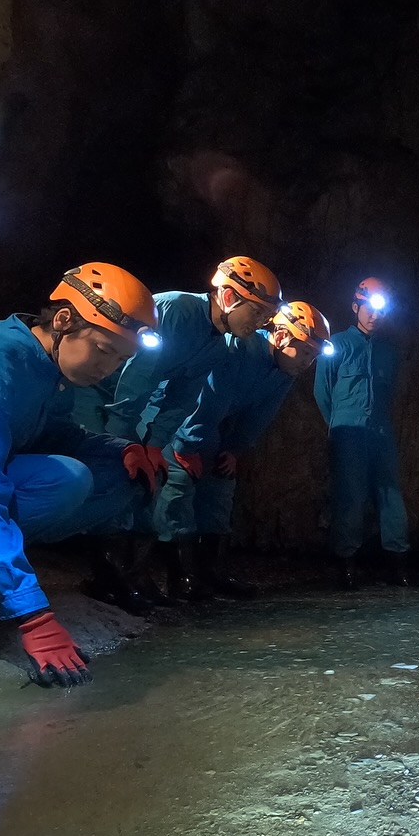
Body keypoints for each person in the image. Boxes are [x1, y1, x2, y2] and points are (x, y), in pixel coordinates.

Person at [0, 263, 162, 687]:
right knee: (65, 479)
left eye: (121, 359)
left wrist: (122, 449)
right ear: (64, 319)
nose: (109, 368)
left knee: (117, 475)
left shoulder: (45, 367)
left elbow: (52, 433)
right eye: (104, 349)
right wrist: (32, 616)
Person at [76, 255, 282, 602]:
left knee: (146, 480)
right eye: (257, 312)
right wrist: (124, 442)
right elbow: (134, 379)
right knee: (111, 473)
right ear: (230, 298)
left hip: (131, 402)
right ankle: (106, 576)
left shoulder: (218, 345)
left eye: (266, 315)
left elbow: (181, 398)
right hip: (97, 389)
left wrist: (156, 445)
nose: (261, 322)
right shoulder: (176, 311)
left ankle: (129, 573)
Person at [157, 300, 331, 599]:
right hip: (179, 421)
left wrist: (235, 450)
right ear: (280, 336)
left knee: (220, 486)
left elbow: (260, 414)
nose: (307, 363)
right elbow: (207, 396)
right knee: (178, 488)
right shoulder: (239, 348)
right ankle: (181, 578)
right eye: (304, 352)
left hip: (213, 428)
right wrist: (186, 446)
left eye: (313, 357)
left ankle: (209, 575)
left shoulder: (283, 372)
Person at [314, 277, 409, 589]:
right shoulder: (337, 344)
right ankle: (346, 565)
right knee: (349, 497)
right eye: (368, 308)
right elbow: (322, 391)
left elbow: (390, 390)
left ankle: (397, 563)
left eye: (380, 310)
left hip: (381, 431)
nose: (374, 315)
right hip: (348, 432)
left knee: (390, 495)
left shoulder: (388, 352)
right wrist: (337, 424)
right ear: (356, 307)